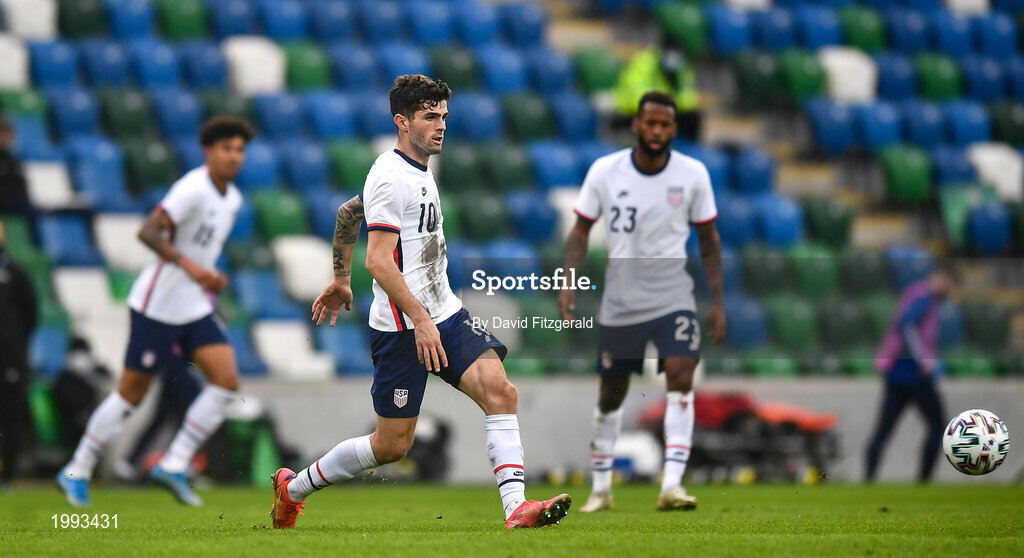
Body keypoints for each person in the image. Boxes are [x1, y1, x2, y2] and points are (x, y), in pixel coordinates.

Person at [269, 74, 571, 530]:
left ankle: (516, 509)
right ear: (402, 122)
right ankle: (292, 490)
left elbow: (349, 211)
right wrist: (417, 318)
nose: (441, 125)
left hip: (443, 313)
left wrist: (338, 279)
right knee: (392, 446)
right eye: (430, 117)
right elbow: (379, 261)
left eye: (444, 116)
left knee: (500, 391)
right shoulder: (391, 177)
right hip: (403, 326)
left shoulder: (415, 170)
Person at [56, 117, 253, 507]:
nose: (234, 157)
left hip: (193, 305)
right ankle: (76, 468)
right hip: (157, 306)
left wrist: (207, 277)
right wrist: (192, 268)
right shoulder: (192, 189)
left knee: (227, 381)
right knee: (132, 393)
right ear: (208, 152)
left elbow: (202, 249)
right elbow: (148, 232)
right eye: (226, 149)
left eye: (239, 150)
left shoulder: (232, 199)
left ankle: (174, 463)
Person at [558, 91, 725, 512]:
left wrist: (718, 302)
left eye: (664, 124)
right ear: (636, 125)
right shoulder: (605, 171)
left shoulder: (693, 175)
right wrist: (568, 281)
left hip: (673, 298)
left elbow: (709, 240)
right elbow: (580, 231)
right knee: (611, 395)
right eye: (649, 123)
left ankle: (671, 484)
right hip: (621, 304)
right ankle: (600, 489)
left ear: (674, 128)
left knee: (681, 379)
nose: (655, 131)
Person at [865, 263, 958, 483]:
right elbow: (906, 324)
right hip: (912, 373)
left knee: (884, 428)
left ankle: (869, 478)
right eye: (952, 284)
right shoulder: (924, 296)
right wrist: (923, 360)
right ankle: (923, 480)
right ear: (944, 278)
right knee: (938, 425)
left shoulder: (919, 294)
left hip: (897, 373)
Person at [0, 217, 38, 489]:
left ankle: (6, 475)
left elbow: (30, 315)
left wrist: (15, 348)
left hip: (10, 360)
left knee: (9, 418)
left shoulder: (16, 273)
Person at [613, 38, 702, 143]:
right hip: (631, 110)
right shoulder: (643, 62)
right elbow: (635, 96)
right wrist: (664, 105)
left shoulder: (681, 69)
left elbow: (688, 100)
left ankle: (687, 148)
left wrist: (674, 84)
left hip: (664, 112)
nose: (673, 59)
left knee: (692, 117)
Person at [0, 115, 30, 215]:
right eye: (2, 133)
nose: (5, 137)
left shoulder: (13, 160)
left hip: (17, 207)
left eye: (7, 133)